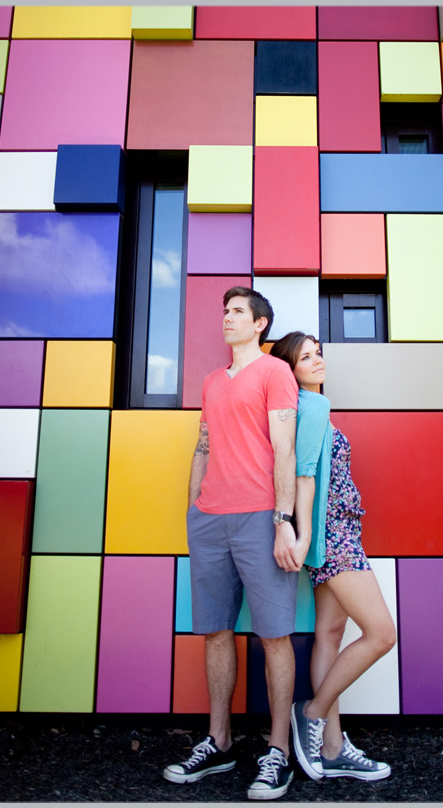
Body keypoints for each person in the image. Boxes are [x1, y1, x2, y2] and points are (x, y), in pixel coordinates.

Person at [163, 287, 306, 801]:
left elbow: (285, 449)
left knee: (274, 635)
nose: (227, 317)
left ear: (260, 323)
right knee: (216, 632)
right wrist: (193, 507)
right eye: (224, 310)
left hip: (259, 518)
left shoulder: (275, 373)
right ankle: (219, 741)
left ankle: (278, 751)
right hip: (209, 520)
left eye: (237, 311)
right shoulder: (211, 381)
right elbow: (203, 445)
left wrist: (283, 520)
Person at [271, 331, 397, 783]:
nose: (317, 360)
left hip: (338, 532)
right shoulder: (311, 406)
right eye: (306, 357)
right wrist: (306, 535)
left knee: (330, 633)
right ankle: (312, 711)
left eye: (318, 353)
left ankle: (332, 747)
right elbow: (303, 473)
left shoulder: (304, 408)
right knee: (381, 634)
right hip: (334, 536)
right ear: (290, 369)